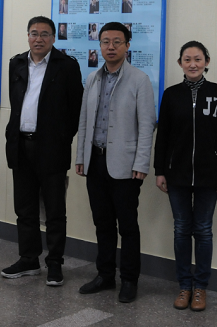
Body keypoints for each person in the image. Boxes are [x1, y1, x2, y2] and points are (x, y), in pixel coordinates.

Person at [75, 23, 155, 303]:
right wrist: (81, 156)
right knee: (102, 223)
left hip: (126, 165)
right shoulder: (92, 79)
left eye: (117, 42)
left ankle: (130, 280)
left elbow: (147, 126)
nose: (111, 47)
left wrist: (142, 163)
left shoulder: (139, 80)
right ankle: (105, 275)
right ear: (99, 45)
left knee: (128, 226)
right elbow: (84, 121)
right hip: (95, 161)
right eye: (105, 41)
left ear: (127, 45)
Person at [154, 41, 217, 312]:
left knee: (203, 230)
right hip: (176, 174)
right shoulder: (171, 94)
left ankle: (200, 287)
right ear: (180, 63)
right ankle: (184, 286)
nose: (192, 64)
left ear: (206, 62)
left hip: (209, 175)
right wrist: (160, 170)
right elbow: (163, 136)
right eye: (187, 59)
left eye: (198, 59)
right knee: (181, 230)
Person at [2, 16, 83, 286]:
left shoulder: (66, 66)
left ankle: (55, 263)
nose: (39, 39)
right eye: (34, 33)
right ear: (28, 36)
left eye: (45, 34)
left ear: (53, 38)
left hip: (52, 148)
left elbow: (75, 110)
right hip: (20, 145)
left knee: (54, 210)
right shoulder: (16, 63)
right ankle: (29, 259)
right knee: (24, 209)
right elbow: (16, 103)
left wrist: (60, 138)